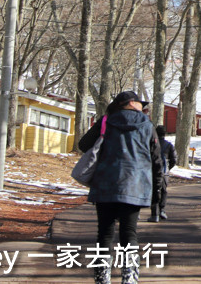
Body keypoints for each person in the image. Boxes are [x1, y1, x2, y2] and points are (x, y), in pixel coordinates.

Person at [78, 91, 162, 284]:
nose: (143, 106)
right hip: (135, 185)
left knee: (105, 233)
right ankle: (129, 277)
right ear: (131, 103)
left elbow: (84, 144)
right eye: (140, 103)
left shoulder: (107, 121)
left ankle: (101, 277)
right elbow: (157, 160)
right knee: (129, 232)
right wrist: (156, 191)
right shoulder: (147, 125)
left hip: (105, 184)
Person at [149, 125, 177, 222]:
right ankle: (162, 210)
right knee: (163, 191)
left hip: (152, 171)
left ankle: (154, 214)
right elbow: (174, 160)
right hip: (164, 172)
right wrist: (168, 168)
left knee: (154, 191)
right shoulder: (169, 145)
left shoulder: (152, 144)